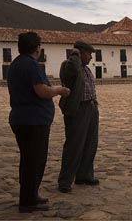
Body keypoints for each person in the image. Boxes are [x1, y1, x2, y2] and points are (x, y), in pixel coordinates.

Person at [7, 32, 70, 213]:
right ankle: (27, 201)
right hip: (33, 121)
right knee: (34, 162)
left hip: (21, 118)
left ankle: (31, 195)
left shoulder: (16, 64)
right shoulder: (32, 65)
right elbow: (42, 91)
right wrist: (58, 90)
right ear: (37, 48)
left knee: (29, 160)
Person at [58, 41, 99, 193]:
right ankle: (65, 180)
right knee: (74, 145)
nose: (91, 57)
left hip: (91, 107)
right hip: (78, 109)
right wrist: (74, 55)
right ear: (80, 53)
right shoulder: (68, 66)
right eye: (89, 53)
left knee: (90, 143)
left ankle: (84, 175)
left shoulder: (86, 69)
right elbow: (72, 70)